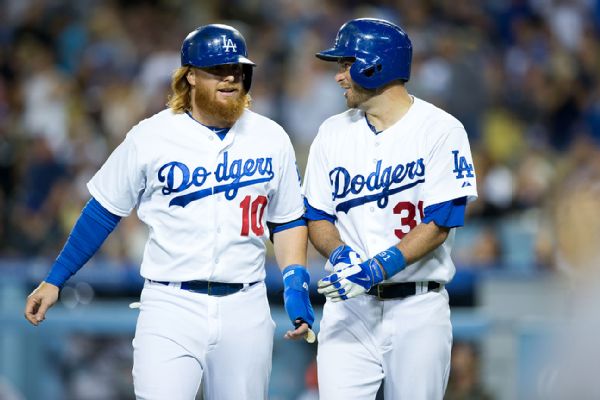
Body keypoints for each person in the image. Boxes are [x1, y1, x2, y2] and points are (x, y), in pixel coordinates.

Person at [24, 24, 314, 400]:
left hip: (246, 304)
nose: (230, 78)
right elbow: (102, 211)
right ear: (190, 76)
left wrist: (294, 283)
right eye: (217, 70)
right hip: (171, 303)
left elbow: (288, 218)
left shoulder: (271, 137)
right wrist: (55, 279)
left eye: (237, 70)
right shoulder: (151, 136)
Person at [302, 18, 478, 399]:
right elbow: (317, 216)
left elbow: (442, 220)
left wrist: (376, 268)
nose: (338, 77)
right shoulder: (332, 132)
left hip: (417, 308)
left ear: (374, 63)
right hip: (349, 310)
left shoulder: (441, 130)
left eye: (345, 64)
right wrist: (341, 254)